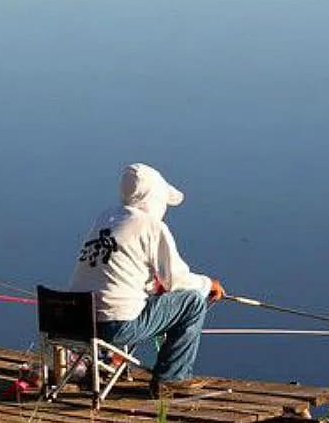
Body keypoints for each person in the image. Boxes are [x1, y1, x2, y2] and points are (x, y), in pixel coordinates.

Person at [70, 163, 224, 397]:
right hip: (115, 326)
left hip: (75, 323)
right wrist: (208, 284)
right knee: (192, 301)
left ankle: (109, 364)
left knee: (155, 299)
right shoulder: (151, 226)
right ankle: (172, 378)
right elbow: (177, 281)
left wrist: (152, 285)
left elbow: (118, 271)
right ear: (154, 198)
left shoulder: (106, 218)